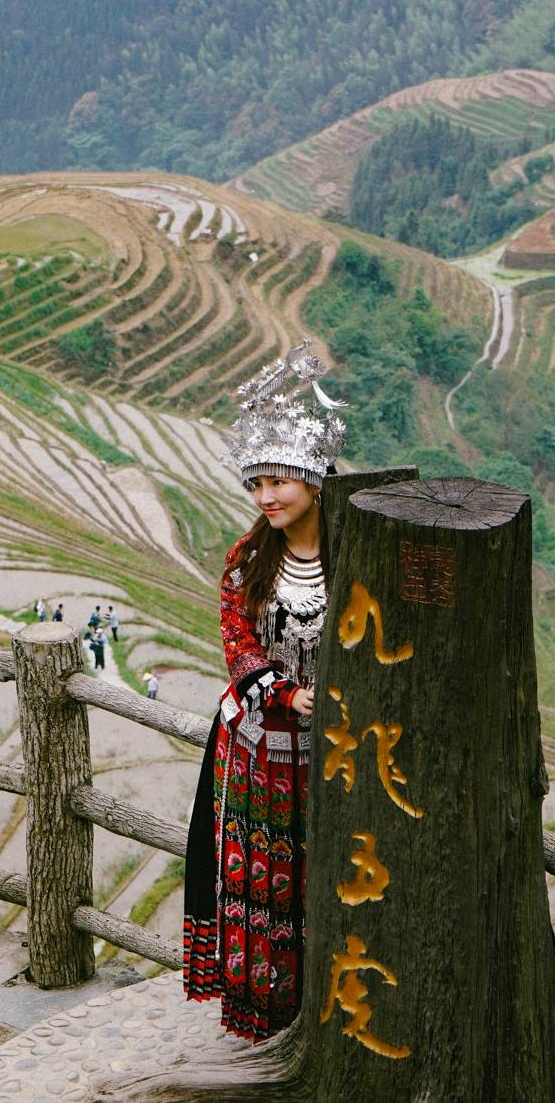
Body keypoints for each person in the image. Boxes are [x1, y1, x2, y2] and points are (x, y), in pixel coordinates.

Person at [183, 340, 346, 1044]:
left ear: (314, 480)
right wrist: (281, 691)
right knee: (262, 880)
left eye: (279, 480)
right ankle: (265, 1018)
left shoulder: (357, 552)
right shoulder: (250, 558)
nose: (267, 496)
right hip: (257, 748)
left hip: (336, 747)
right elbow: (236, 639)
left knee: (328, 877)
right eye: (257, 483)